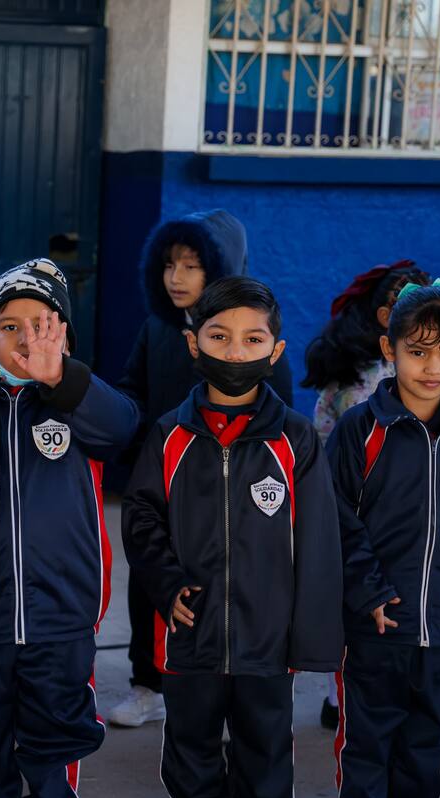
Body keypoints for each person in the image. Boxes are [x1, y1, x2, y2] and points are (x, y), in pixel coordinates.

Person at [122, 276, 342, 798]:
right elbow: (142, 519)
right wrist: (167, 583)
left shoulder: (295, 438)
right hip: (188, 636)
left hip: (267, 642)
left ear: (275, 350)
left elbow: (318, 542)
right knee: (188, 754)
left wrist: (309, 636)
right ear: (193, 342)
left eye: (253, 339)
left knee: (265, 756)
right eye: (219, 337)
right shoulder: (168, 435)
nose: (236, 351)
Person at [0, 259, 138, 798]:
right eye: (9, 325)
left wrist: (61, 380)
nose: (26, 338)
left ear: (64, 336)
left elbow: (121, 428)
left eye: (42, 324)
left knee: (54, 755)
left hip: (61, 616)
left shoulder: (82, 404)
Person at [111, 209, 295, 728]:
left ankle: (227, 686)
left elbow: (280, 412)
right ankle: (148, 683)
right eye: (169, 264)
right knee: (152, 579)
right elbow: (133, 391)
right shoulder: (156, 328)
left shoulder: (255, 335)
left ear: (222, 267)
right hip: (168, 484)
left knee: (226, 585)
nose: (177, 278)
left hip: (232, 492)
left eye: (191, 265)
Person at [328, 280, 440, 798]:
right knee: (367, 749)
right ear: (389, 349)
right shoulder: (360, 430)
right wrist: (369, 591)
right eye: (417, 352)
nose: (433, 367)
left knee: (424, 750)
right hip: (377, 625)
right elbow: (334, 521)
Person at [301, 259, 429, 729]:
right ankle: (341, 695)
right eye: (394, 305)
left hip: (416, 519)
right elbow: (323, 439)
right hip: (357, 511)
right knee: (355, 603)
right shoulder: (353, 386)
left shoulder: (433, 379)